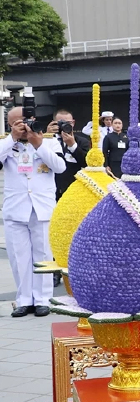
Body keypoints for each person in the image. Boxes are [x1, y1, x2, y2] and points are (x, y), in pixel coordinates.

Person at [1, 107, 67, 316]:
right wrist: (12, 138)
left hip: (42, 207)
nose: (23, 125)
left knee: (43, 254)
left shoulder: (48, 141)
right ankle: (23, 299)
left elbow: (60, 167)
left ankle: (43, 299)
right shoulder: (6, 143)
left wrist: (38, 144)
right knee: (18, 257)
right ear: (10, 125)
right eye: (16, 123)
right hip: (15, 209)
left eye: (24, 121)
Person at [47, 109, 90, 201]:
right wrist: (47, 136)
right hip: (50, 187)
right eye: (60, 123)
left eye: (68, 123)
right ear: (53, 123)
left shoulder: (82, 141)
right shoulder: (46, 140)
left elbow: (86, 163)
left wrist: (73, 146)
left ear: (73, 123)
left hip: (72, 188)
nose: (64, 126)